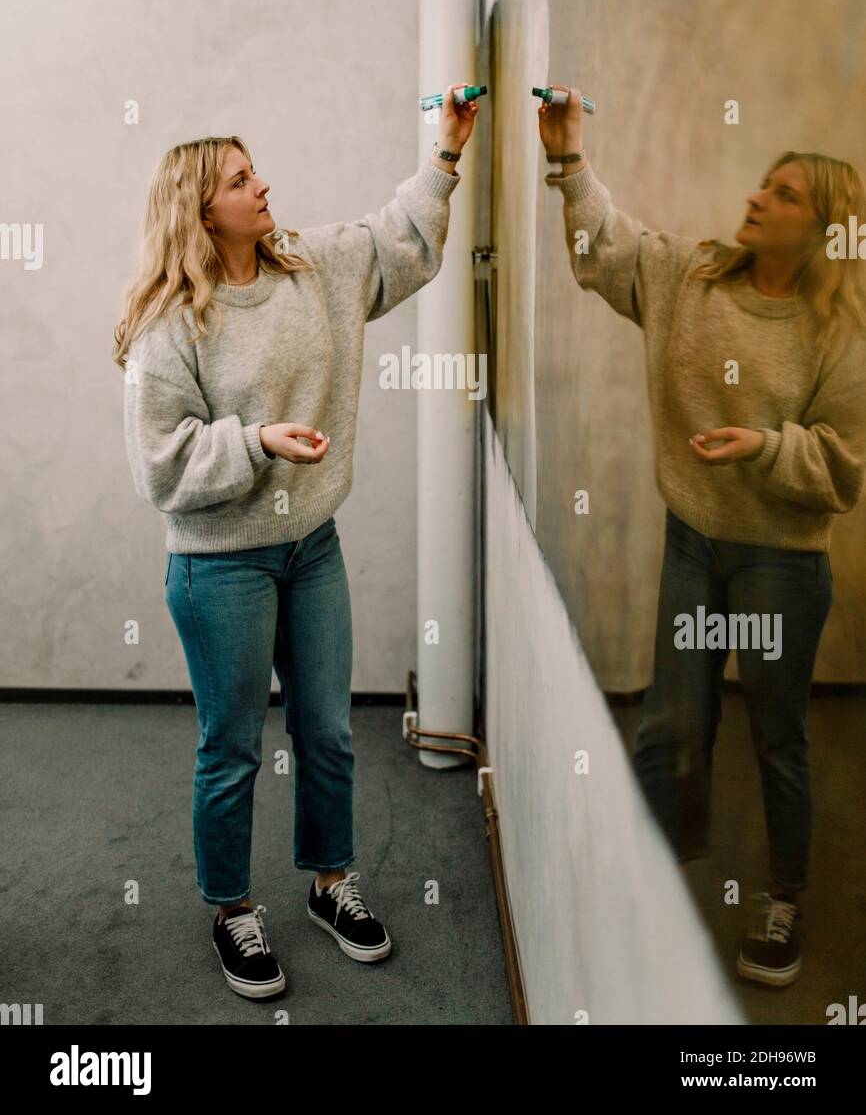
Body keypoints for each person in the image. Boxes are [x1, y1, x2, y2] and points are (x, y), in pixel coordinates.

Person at [113, 86, 479, 999]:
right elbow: (162, 465)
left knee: (327, 731)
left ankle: (329, 884)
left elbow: (394, 239)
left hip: (310, 545)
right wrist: (258, 441)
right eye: (242, 179)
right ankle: (233, 910)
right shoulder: (170, 328)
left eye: (255, 169)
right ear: (203, 212)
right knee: (232, 745)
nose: (263, 185)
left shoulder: (307, 268)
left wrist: (445, 155)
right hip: (217, 565)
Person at [539, 84, 866, 988]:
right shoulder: (693, 277)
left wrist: (763, 447)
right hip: (696, 543)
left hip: (780, 565)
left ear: (825, 227)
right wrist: (568, 159)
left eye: (786, 194)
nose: (759, 197)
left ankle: (786, 899)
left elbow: (843, 469)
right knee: (674, 728)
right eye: (765, 184)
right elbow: (607, 251)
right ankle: (651, 889)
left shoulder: (839, 332)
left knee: (777, 735)